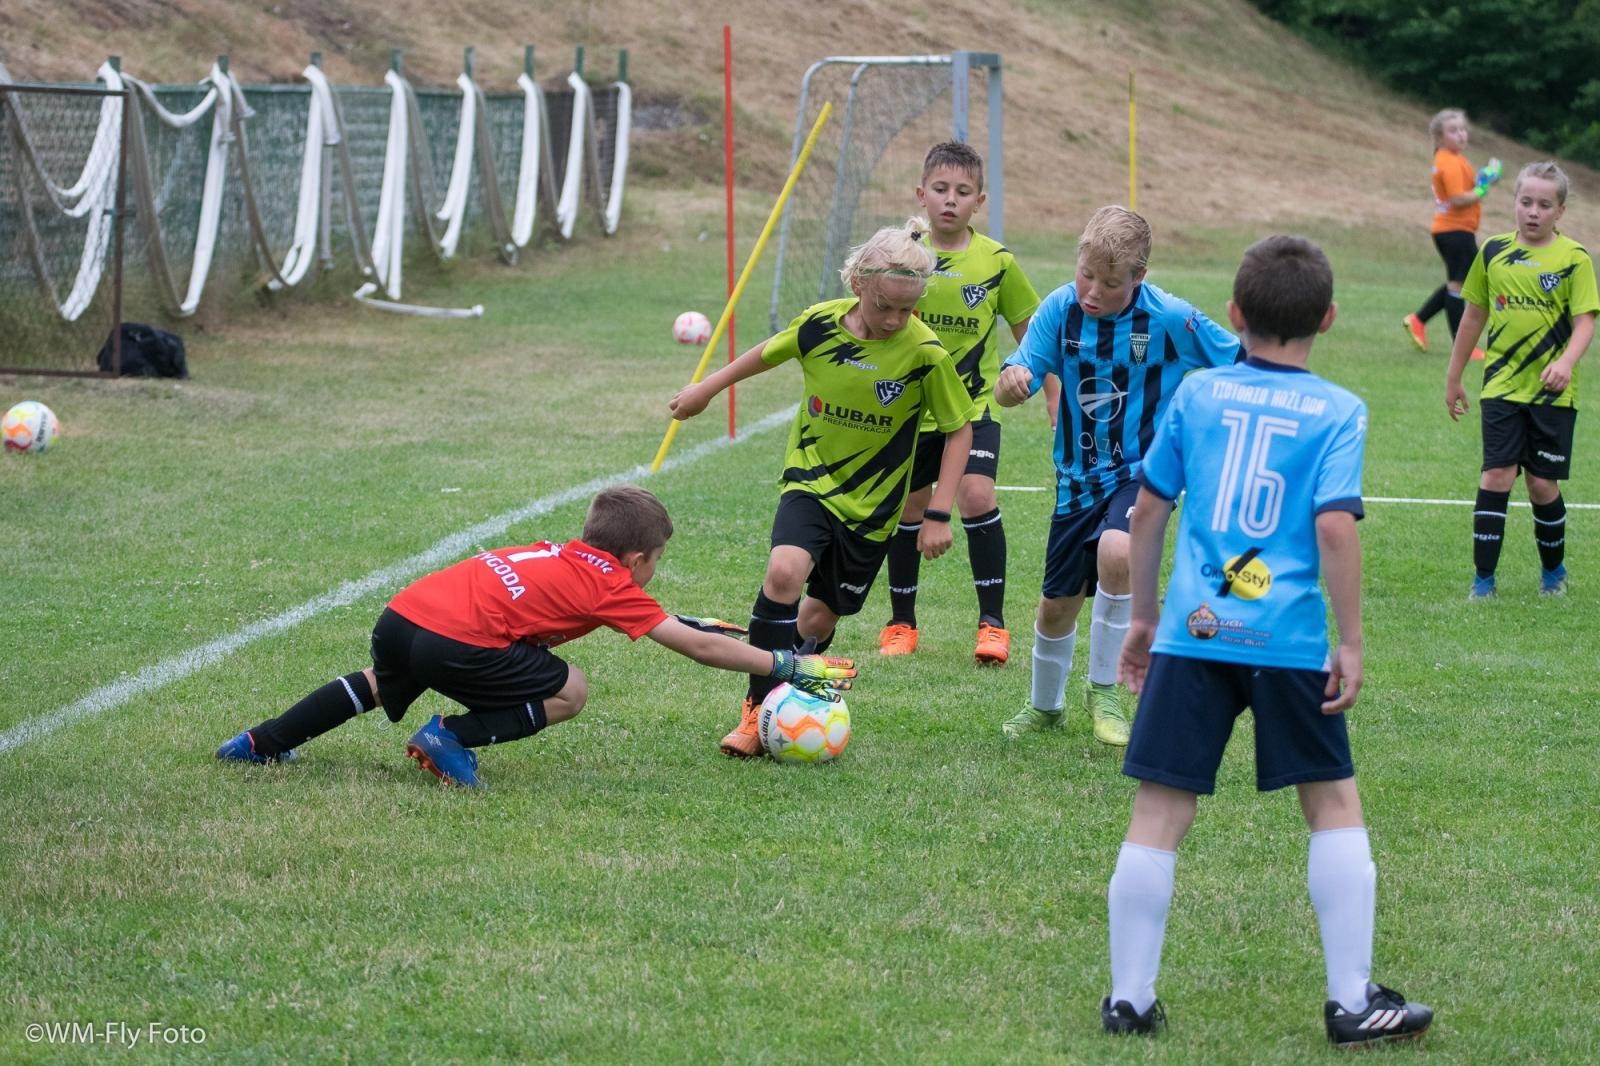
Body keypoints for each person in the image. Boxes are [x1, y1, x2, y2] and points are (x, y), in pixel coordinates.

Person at [1105, 235, 1433, 1047]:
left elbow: (1148, 513)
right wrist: (1349, 640)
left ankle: (1129, 1000)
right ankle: (1351, 1001)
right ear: (1327, 317)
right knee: (1331, 804)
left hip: (1194, 632)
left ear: (1234, 315)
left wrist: (1142, 619)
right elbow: (1333, 527)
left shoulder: (1197, 394)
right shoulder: (1339, 409)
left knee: (1159, 810)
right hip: (1287, 640)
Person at [215, 486, 857, 785]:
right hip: (456, 641)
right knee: (570, 690)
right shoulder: (611, 585)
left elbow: (645, 617)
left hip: (405, 614)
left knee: (380, 685)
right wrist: (783, 661)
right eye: (657, 558)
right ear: (637, 560)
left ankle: (257, 743)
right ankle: (449, 737)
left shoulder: (557, 552)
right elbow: (697, 647)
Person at [670, 219, 977, 757]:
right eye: (886, 306)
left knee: (819, 616)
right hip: (810, 482)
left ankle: (797, 686)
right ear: (858, 284)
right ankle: (757, 707)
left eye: (907, 309)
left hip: (874, 510)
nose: (895, 319)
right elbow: (768, 351)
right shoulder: (820, 325)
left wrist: (938, 512)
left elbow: (958, 430)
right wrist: (707, 389)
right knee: (785, 570)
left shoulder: (925, 353)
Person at [993, 206, 1239, 745]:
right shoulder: (1060, 309)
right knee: (1056, 608)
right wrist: (1012, 383)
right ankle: (1045, 707)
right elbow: (1020, 370)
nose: (1092, 292)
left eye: (1109, 283)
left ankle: (1103, 692)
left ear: (1139, 278)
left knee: (1118, 552)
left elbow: (1239, 360)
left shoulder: (1170, 318)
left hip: (1144, 474)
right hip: (1076, 479)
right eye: (1086, 275)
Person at [875, 142, 1042, 666]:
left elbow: (1033, 335)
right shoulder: (898, 257)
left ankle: (992, 625)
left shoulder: (996, 263)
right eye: (941, 190)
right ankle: (901, 623)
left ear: (979, 201)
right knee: (910, 507)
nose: (951, 200)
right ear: (921, 195)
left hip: (973, 409)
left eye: (963, 192)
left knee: (974, 494)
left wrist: (1036, 383)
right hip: (907, 412)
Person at [1446, 161, 1598, 599]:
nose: (1533, 211)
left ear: (1560, 211)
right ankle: (1483, 582)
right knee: (1496, 475)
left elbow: (1585, 321)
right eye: (1525, 201)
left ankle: (1553, 574)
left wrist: (1566, 362)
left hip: (1552, 393)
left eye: (1544, 205)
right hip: (1500, 386)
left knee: (1541, 483)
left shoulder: (1574, 259)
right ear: (1514, 203)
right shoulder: (1492, 251)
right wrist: (1454, 377)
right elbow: (1473, 315)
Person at [1402, 108, 1500, 359]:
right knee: (1461, 285)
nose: (1461, 135)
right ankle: (1462, 347)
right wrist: (1483, 189)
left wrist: (1481, 180)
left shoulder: (1453, 159)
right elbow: (1458, 198)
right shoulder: (1449, 161)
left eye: (1463, 129)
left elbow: (1463, 189)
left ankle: (1418, 319)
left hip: (1455, 230)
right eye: (1453, 131)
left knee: (1459, 283)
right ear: (1439, 137)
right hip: (1454, 230)